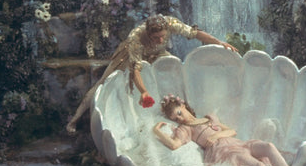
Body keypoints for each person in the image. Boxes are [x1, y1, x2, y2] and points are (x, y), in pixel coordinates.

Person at [66, 14, 238, 134]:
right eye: (156, 38)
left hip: (157, 54)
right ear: (148, 34)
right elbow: (136, 69)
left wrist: (218, 42)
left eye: (163, 37)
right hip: (129, 57)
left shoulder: (170, 23)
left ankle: (182, 113)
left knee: (175, 70)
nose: (161, 40)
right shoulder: (136, 38)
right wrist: (143, 92)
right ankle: (75, 119)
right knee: (103, 83)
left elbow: (195, 34)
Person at [153, 94, 306, 166]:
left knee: (268, 146)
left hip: (235, 143)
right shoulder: (184, 129)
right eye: (175, 118)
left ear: (183, 106)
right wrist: (157, 130)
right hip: (222, 152)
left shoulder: (207, 118)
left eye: (179, 113)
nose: (180, 119)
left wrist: (217, 134)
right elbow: (174, 145)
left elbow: (232, 131)